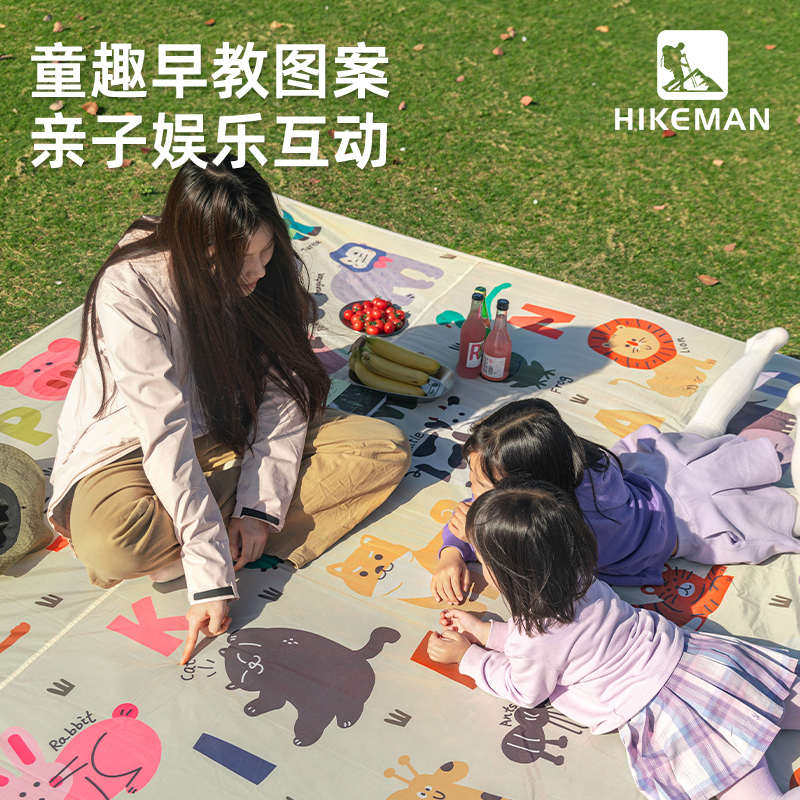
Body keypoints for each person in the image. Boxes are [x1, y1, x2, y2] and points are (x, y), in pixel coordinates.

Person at [46, 153, 411, 663]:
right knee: (115, 544)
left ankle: (216, 535)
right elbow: (164, 431)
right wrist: (211, 575)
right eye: (243, 258)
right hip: (137, 443)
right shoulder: (130, 290)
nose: (259, 270)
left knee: (381, 449)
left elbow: (281, 392)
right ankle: (210, 541)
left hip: (230, 427)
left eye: (266, 249)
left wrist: (257, 511)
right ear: (197, 249)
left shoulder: (263, 273)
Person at [428, 478, 800, 800]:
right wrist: (486, 632)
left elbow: (525, 687)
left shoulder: (534, 636)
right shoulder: (582, 581)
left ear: (508, 574)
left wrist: (470, 657)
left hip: (672, 713)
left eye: (484, 561)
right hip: (704, 667)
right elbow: (561, 644)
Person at [431, 328, 800, 604]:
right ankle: (757, 351)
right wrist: (451, 554)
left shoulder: (563, 529)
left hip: (693, 524)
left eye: (481, 484)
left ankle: (763, 359)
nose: (472, 491)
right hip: (664, 469)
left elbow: (528, 589)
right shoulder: (578, 464)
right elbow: (473, 515)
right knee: (704, 427)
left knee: (790, 517)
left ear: (530, 485)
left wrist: (475, 541)